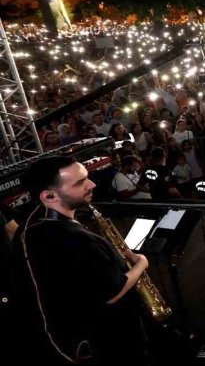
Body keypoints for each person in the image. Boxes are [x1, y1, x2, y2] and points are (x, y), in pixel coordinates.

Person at [11, 156, 149, 365]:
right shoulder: (75, 239)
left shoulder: (32, 227)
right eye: (80, 182)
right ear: (49, 196)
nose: (92, 184)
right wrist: (141, 264)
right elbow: (112, 292)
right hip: (108, 343)